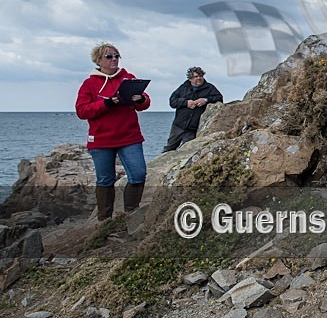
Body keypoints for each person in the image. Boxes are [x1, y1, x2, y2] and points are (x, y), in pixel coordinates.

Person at [75, 42, 150, 221]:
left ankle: (131, 214)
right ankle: (105, 220)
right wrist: (106, 103)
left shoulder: (128, 78)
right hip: (101, 140)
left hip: (129, 136)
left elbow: (145, 104)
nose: (114, 59)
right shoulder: (90, 84)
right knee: (105, 180)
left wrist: (140, 99)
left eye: (116, 56)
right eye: (109, 57)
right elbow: (82, 111)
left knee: (138, 174)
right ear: (99, 60)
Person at [163, 67, 223, 152]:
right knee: (169, 148)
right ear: (190, 79)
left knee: (187, 151)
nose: (199, 78)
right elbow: (172, 101)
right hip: (178, 125)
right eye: (196, 76)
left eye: (201, 76)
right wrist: (186, 103)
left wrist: (205, 100)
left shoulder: (209, 88)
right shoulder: (183, 87)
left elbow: (219, 98)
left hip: (193, 128)